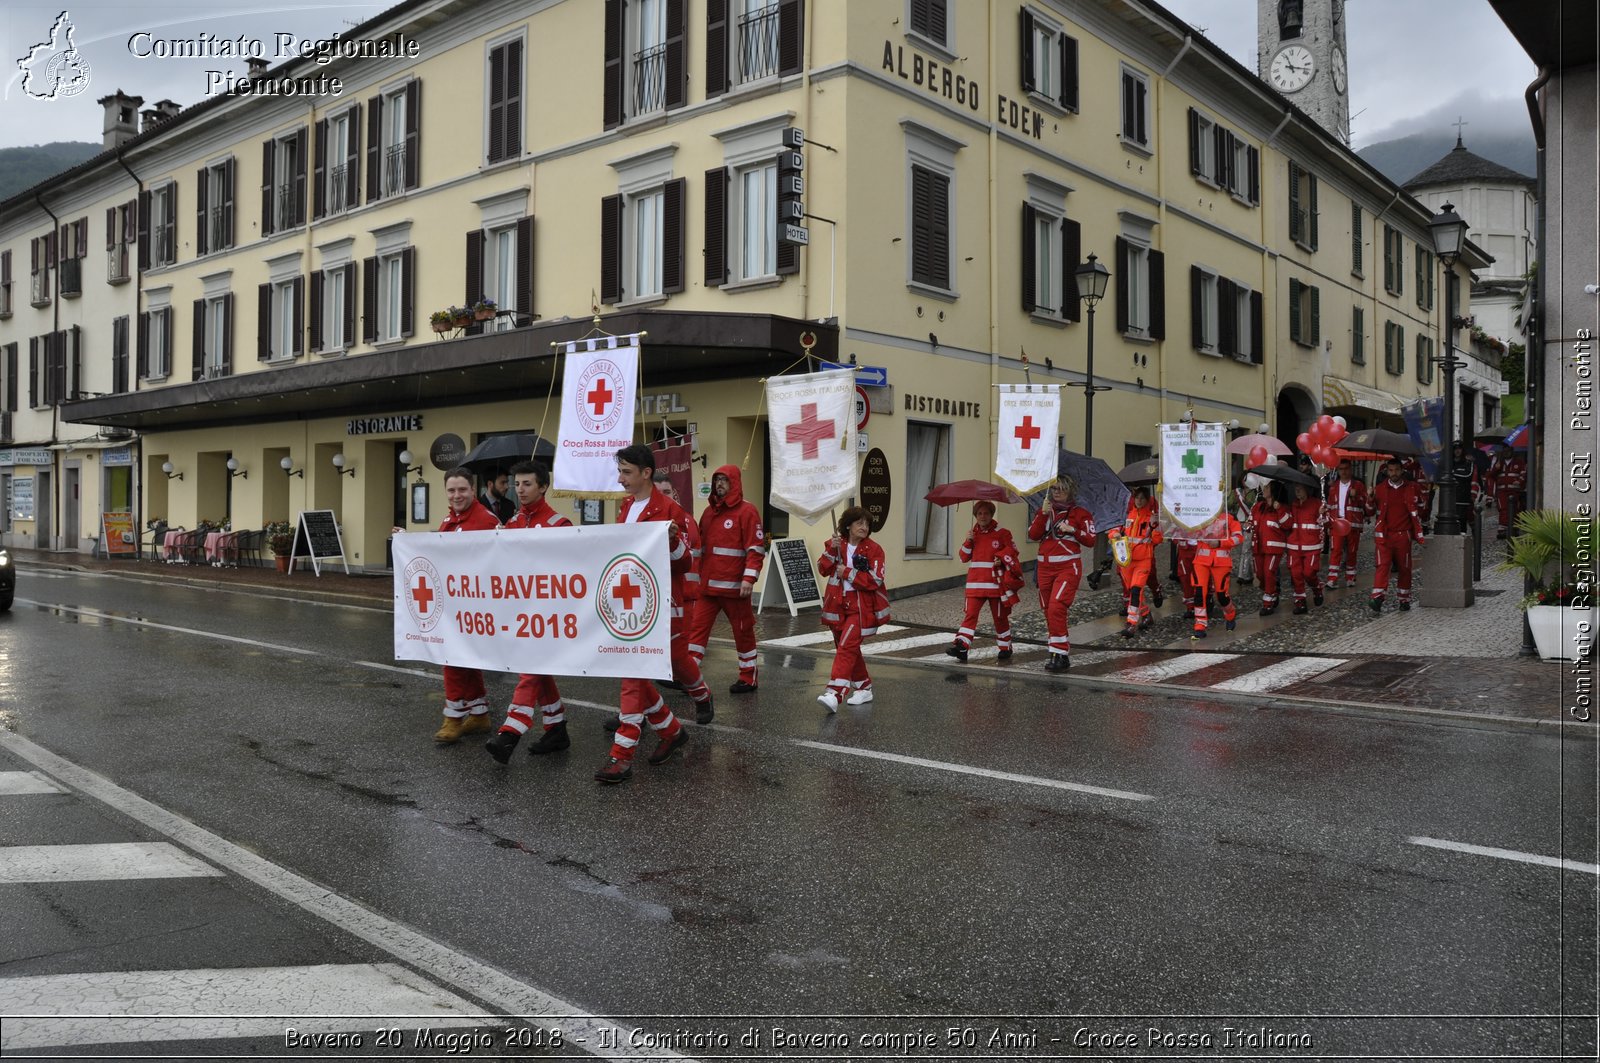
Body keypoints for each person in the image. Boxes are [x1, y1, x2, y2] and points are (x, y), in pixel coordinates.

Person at [593, 445, 702, 784]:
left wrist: (671, 541)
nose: (620, 479)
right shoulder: (626, 507)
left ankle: (622, 756)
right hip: (630, 603)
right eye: (620, 471)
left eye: (626, 472)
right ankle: (671, 730)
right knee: (635, 675)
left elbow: (685, 562)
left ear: (646, 473)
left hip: (658, 605)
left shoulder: (668, 509)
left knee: (632, 673)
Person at [485, 461, 574, 764]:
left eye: (527, 484)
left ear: (543, 487)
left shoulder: (559, 524)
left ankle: (511, 731)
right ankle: (557, 727)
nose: (520, 490)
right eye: (517, 484)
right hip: (520, 611)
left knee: (530, 666)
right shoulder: (511, 523)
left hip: (550, 614)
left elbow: (569, 571)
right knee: (538, 670)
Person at [413, 467, 502, 744]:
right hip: (453, 605)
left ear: (473, 490)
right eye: (451, 490)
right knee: (463, 659)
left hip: (476, 605)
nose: (456, 495)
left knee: (451, 659)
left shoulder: (486, 521)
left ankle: (453, 717)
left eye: (462, 489)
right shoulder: (449, 520)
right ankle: (478, 714)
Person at [687, 465, 767, 692]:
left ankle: (748, 677)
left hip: (735, 589)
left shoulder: (747, 511)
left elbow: (755, 549)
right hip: (707, 589)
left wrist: (748, 580)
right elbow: (699, 549)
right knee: (696, 631)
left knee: (743, 633)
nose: (719, 484)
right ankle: (688, 675)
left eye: (724, 480)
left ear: (735, 483)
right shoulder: (708, 513)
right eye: (717, 480)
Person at [816, 506, 890, 711]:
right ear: (848, 525)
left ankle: (835, 693)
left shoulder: (874, 549)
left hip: (860, 608)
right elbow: (822, 569)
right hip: (837, 606)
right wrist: (831, 549)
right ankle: (864, 687)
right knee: (848, 648)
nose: (864, 527)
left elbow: (875, 580)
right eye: (859, 523)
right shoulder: (837, 545)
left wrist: (847, 572)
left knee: (846, 647)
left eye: (867, 524)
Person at [1027, 474, 1097, 672]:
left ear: (1070, 491)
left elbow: (1091, 540)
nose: (1056, 492)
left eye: (1061, 489)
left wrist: (1072, 529)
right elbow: (1033, 535)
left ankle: (1060, 654)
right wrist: (1042, 514)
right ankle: (1058, 652)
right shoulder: (1044, 511)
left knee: (1057, 607)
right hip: (1044, 568)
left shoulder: (1080, 513)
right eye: (1054, 488)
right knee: (1048, 611)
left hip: (1067, 567)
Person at [946, 500, 1020, 662]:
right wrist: (968, 540)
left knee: (1000, 618)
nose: (982, 516)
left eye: (986, 513)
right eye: (979, 513)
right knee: (970, 615)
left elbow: (1013, 552)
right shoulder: (973, 534)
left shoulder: (1003, 533)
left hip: (996, 585)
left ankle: (1005, 646)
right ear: (975, 516)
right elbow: (963, 557)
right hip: (975, 585)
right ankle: (962, 647)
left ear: (991, 515)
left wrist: (1002, 558)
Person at [1371, 457, 1426, 611]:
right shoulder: (1380, 489)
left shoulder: (1412, 487)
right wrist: (1369, 499)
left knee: (1405, 567)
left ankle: (1404, 598)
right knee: (1382, 565)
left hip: (1403, 535)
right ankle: (1377, 597)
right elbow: (1369, 511)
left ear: (1402, 471)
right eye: (1391, 470)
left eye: (1396, 470)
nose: (1393, 473)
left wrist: (1416, 526)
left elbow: (1422, 506)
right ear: (1386, 471)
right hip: (1385, 534)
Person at [1108, 486, 1163, 637]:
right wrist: (1115, 534)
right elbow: (1114, 530)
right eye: (1137, 498)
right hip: (1127, 561)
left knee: (1136, 590)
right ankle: (1146, 616)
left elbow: (1158, 539)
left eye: (1142, 498)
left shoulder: (1152, 519)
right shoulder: (1128, 516)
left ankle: (1131, 623)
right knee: (1135, 593)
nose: (1139, 501)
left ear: (1147, 500)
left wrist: (1153, 526)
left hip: (1143, 560)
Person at [1190, 511, 1245, 638]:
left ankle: (1230, 614)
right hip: (1201, 560)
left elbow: (1238, 537)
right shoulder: (1200, 515)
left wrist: (1220, 543)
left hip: (1221, 561)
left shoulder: (1229, 518)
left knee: (1221, 595)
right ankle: (1200, 625)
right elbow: (1190, 532)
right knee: (1199, 592)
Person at [1324, 460, 1372, 589]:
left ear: (1350, 469)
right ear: (1338, 471)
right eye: (1341, 469)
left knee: (1352, 551)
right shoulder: (1334, 487)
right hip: (1337, 524)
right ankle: (1332, 579)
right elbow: (1329, 506)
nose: (1343, 472)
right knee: (1335, 551)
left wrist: (1356, 496)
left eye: (1346, 469)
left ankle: (1350, 577)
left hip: (1352, 524)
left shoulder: (1359, 485)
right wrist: (1329, 524)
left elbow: (1365, 504)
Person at [1250, 482, 1291, 615]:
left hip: (1274, 548)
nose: (1264, 489)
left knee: (1268, 573)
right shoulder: (1258, 506)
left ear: (1274, 490)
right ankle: (1273, 590)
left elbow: (1287, 525)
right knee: (1260, 575)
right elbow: (1251, 521)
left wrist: (1279, 509)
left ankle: (1268, 603)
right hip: (1258, 547)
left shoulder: (1282, 507)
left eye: (1267, 487)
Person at [1285, 482, 1325, 614]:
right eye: (1296, 489)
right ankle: (1300, 601)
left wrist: (1322, 515)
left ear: (1307, 489)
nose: (1297, 492)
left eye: (1300, 489)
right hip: (1294, 545)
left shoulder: (1317, 504)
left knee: (1309, 573)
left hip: (1312, 545)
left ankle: (1316, 588)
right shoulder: (1293, 505)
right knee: (1296, 574)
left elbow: (1327, 523)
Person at [1489, 444, 1527, 538]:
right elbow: (1491, 476)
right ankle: (1503, 530)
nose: (1506, 453)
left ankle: (1514, 528)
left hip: (1515, 491)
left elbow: (1524, 473)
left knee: (1516, 510)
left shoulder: (1519, 462)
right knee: (1503, 509)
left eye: (1508, 451)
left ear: (1512, 451)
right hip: (1502, 491)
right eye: (1504, 451)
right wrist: (1496, 469)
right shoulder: (1499, 463)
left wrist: (1520, 481)